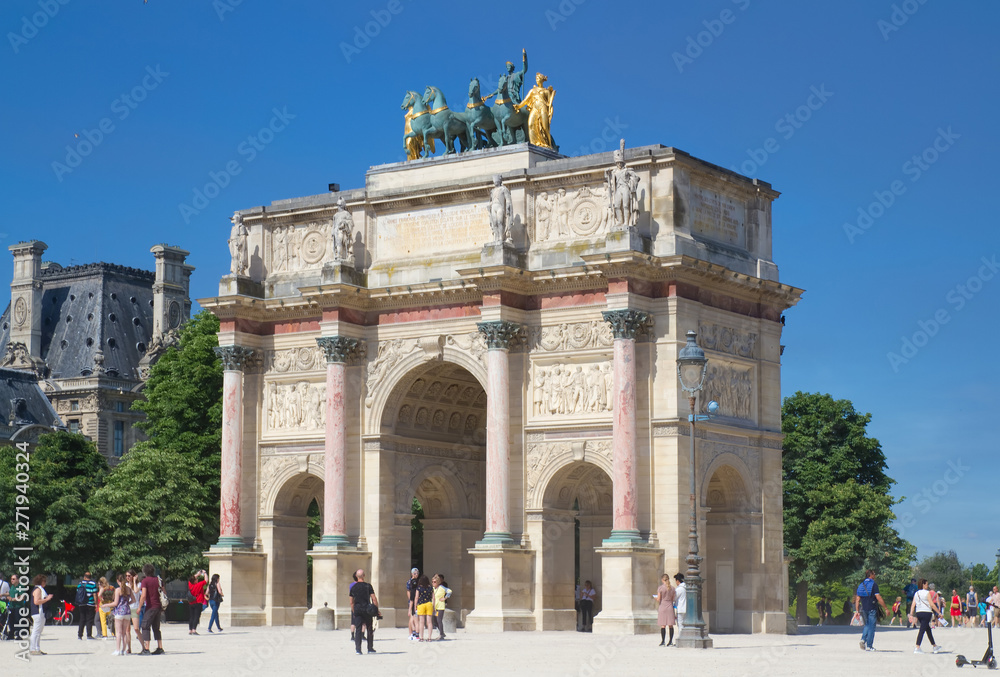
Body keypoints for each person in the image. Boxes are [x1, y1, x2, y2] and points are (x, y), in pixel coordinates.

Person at [513, 72, 556, 149]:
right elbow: (525, 100)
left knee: (545, 127)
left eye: (538, 78)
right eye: (536, 79)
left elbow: (550, 104)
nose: (537, 80)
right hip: (535, 109)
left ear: (542, 80)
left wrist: (551, 95)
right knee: (530, 124)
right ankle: (534, 143)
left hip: (543, 108)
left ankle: (549, 144)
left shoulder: (546, 91)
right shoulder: (533, 90)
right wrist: (519, 106)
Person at [853, 569, 888, 651]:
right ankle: (869, 646)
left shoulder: (861, 585)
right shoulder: (873, 584)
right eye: (874, 574)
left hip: (864, 608)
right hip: (872, 607)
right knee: (872, 627)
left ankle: (863, 639)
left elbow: (857, 600)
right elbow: (878, 597)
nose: (875, 575)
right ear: (871, 575)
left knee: (867, 625)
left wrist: (857, 611)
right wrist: (886, 608)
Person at [908, 578, 942, 654]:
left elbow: (913, 605)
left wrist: (911, 614)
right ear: (923, 584)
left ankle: (934, 646)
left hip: (918, 612)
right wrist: (939, 613)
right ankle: (917, 647)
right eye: (926, 584)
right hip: (926, 612)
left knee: (927, 629)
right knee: (922, 630)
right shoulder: (927, 593)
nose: (927, 586)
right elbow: (932, 604)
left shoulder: (916, 593)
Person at [101, 574, 133, 656]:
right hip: (127, 611)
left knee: (118, 632)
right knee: (124, 633)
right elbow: (134, 600)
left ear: (118, 581)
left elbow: (115, 603)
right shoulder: (128, 589)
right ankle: (124, 650)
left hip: (119, 612)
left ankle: (118, 650)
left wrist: (106, 605)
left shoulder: (118, 590)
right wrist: (127, 603)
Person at [349, 569, 378, 655]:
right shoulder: (368, 586)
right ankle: (370, 648)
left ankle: (358, 649)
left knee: (358, 629)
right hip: (367, 609)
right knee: (369, 628)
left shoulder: (353, 587)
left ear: (356, 577)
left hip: (357, 609)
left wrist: (354, 611)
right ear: (364, 576)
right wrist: (376, 610)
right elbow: (374, 599)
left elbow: (351, 602)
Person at [138, 563, 165, 655]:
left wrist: (139, 607)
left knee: (145, 626)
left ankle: (146, 648)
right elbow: (163, 592)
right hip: (158, 606)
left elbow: (143, 595)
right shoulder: (158, 580)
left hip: (150, 606)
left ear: (144, 572)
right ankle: (160, 647)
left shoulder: (145, 581)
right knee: (156, 627)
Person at [29, 574, 53, 656]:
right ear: (41, 581)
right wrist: (47, 599)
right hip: (38, 612)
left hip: (39, 612)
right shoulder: (38, 590)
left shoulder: (38, 589)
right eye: (44, 581)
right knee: (36, 631)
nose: (45, 583)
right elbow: (36, 601)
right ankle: (33, 649)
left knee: (38, 631)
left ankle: (37, 648)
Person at [76, 571, 98, 640]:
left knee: (82, 619)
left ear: (84, 577)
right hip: (90, 604)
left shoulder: (80, 584)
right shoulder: (93, 584)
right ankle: (89, 635)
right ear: (90, 577)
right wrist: (96, 603)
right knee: (89, 620)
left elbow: (78, 592)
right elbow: (94, 594)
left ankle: (80, 635)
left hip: (81, 604)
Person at [656, 574, 676, 646]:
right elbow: (673, 599)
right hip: (670, 606)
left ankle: (663, 641)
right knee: (670, 625)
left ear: (662, 580)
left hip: (663, 606)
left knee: (663, 625)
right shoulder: (673, 588)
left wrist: (655, 598)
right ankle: (670, 641)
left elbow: (658, 599)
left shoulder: (660, 588)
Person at [431, 574, 451, 640]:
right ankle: (442, 633)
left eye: (435, 582)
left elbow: (449, 591)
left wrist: (445, 598)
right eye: (432, 582)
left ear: (438, 582)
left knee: (439, 620)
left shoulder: (442, 587)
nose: (433, 583)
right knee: (435, 621)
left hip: (440, 606)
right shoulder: (433, 588)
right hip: (435, 607)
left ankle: (441, 634)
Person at [415, 575, 434, 641]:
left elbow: (417, 597)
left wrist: (415, 605)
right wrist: (433, 606)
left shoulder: (419, 588)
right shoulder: (431, 588)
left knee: (421, 622)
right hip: (429, 604)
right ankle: (429, 637)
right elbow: (433, 598)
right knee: (429, 622)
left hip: (421, 604)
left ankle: (421, 637)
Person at [406, 568, 420, 641]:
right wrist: (411, 600)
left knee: (416, 618)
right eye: (415, 573)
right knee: (411, 617)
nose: (416, 574)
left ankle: (415, 633)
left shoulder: (418, 582)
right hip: (412, 600)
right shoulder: (409, 582)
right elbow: (408, 591)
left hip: (417, 601)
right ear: (412, 574)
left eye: (417, 573)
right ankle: (410, 633)